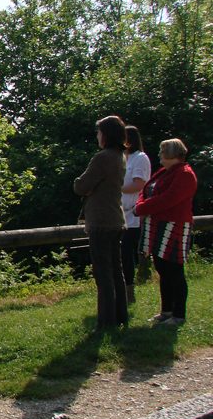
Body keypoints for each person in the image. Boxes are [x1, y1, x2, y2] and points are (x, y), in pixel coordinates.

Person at [135, 138, 197, 326]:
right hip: (157, 223)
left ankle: (178, 314)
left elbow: (169, 199)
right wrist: (141, 205)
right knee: (162, 267)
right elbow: (145, 191)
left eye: (163, 152)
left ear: (172, 154)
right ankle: (166, 311)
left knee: (174, 270)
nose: (160, 155)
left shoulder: (185, 174)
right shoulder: (164, 172)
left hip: (174, 224)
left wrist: (142, 208)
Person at [73, 115, 128, 330]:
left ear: (105, 134)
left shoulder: (103, 157)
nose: (97, 136)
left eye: (98, 132)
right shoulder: (119, 156)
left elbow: (81, 186)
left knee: (103, 273)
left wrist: (78, 182)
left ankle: (106, 321)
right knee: (116, 270)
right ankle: (120, 315)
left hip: (101, 221)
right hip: (116, 218)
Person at [120, 125, 151, 303]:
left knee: (126, 253)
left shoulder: (140, 158)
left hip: (132, 215)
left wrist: (114, 187)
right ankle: (121, 289)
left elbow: (139, 185)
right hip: (118, 213)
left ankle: (128, 290)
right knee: (118, 253)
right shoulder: (121, 158)